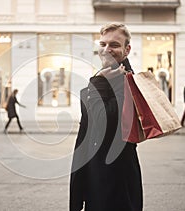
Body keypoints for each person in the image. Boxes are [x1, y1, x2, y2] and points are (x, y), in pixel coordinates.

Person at [70, 23, 143, 211]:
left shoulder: (128, 81)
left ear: (127, 50)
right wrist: (78, 190)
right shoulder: (105, 75)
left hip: (116, 181)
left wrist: (98, 82)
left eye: (114, 45)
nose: (106, 50)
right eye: (103, 44)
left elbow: (105, 121)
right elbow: (86, 133)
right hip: (95, 175)